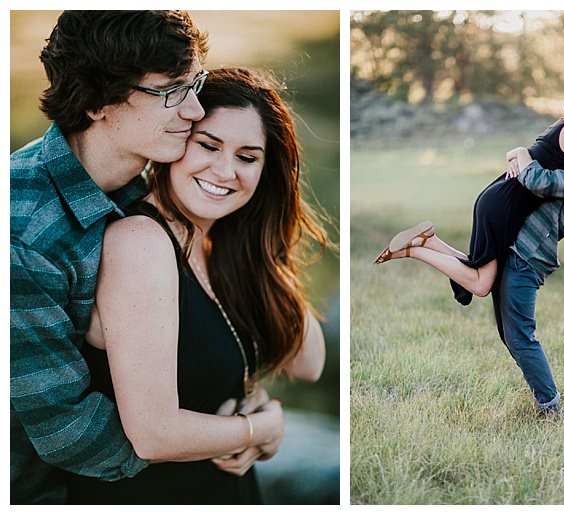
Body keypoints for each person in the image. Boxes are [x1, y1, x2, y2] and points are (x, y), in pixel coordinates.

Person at [63, 67, 329, 504]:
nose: (225, 171)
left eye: (248, 157)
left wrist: (261, 251)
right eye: (208, 145)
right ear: (175, 142)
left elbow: (308, 361)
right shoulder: (141, 242)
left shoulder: (217, 244)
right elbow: (154, 435)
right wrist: (262, 427)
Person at [10, 11, 208, 504]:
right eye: (171, 92)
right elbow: (66, 432)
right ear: (98, 102)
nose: (197, 111)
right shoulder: (22, 234)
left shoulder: (152, 185)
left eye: (195, 84)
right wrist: (220, 439)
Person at [375, 119, 564, 416]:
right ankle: (423, 245)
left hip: (529, 253)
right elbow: (552, 153)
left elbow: (541, 180)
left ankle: (550, 407)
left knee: (516, 331)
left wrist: (521, 155)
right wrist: (518, 151)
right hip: (519, 243)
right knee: (499, 312)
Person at [375, 82, 564, 305]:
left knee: (479, 270)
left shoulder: (561, 126)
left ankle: (429, 241)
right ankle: (414, 250)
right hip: (505, 205)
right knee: (482, 284)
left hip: (498, 197)